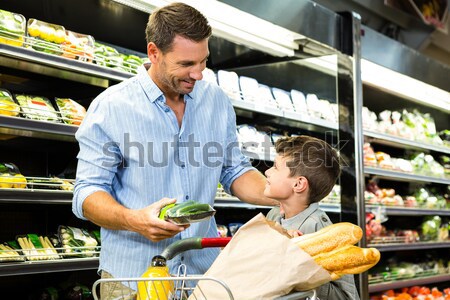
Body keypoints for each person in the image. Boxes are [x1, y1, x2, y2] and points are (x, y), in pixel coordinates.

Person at [72, 2, 276, 298]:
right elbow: (87, 193)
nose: (198, 74)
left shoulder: (216, 101)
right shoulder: (111, 107)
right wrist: (135, 220)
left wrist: (278, 193)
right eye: (185, 64)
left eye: (203, 61)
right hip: (134, 278)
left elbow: (234, 170)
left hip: (203, 276)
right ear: (154, 52)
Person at [265, 135, 360, 300]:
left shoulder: (322, 232)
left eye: (275, 167)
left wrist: (306, 272)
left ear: (298, 184)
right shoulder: (273, 216)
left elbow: (347, 296)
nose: (267, 172)